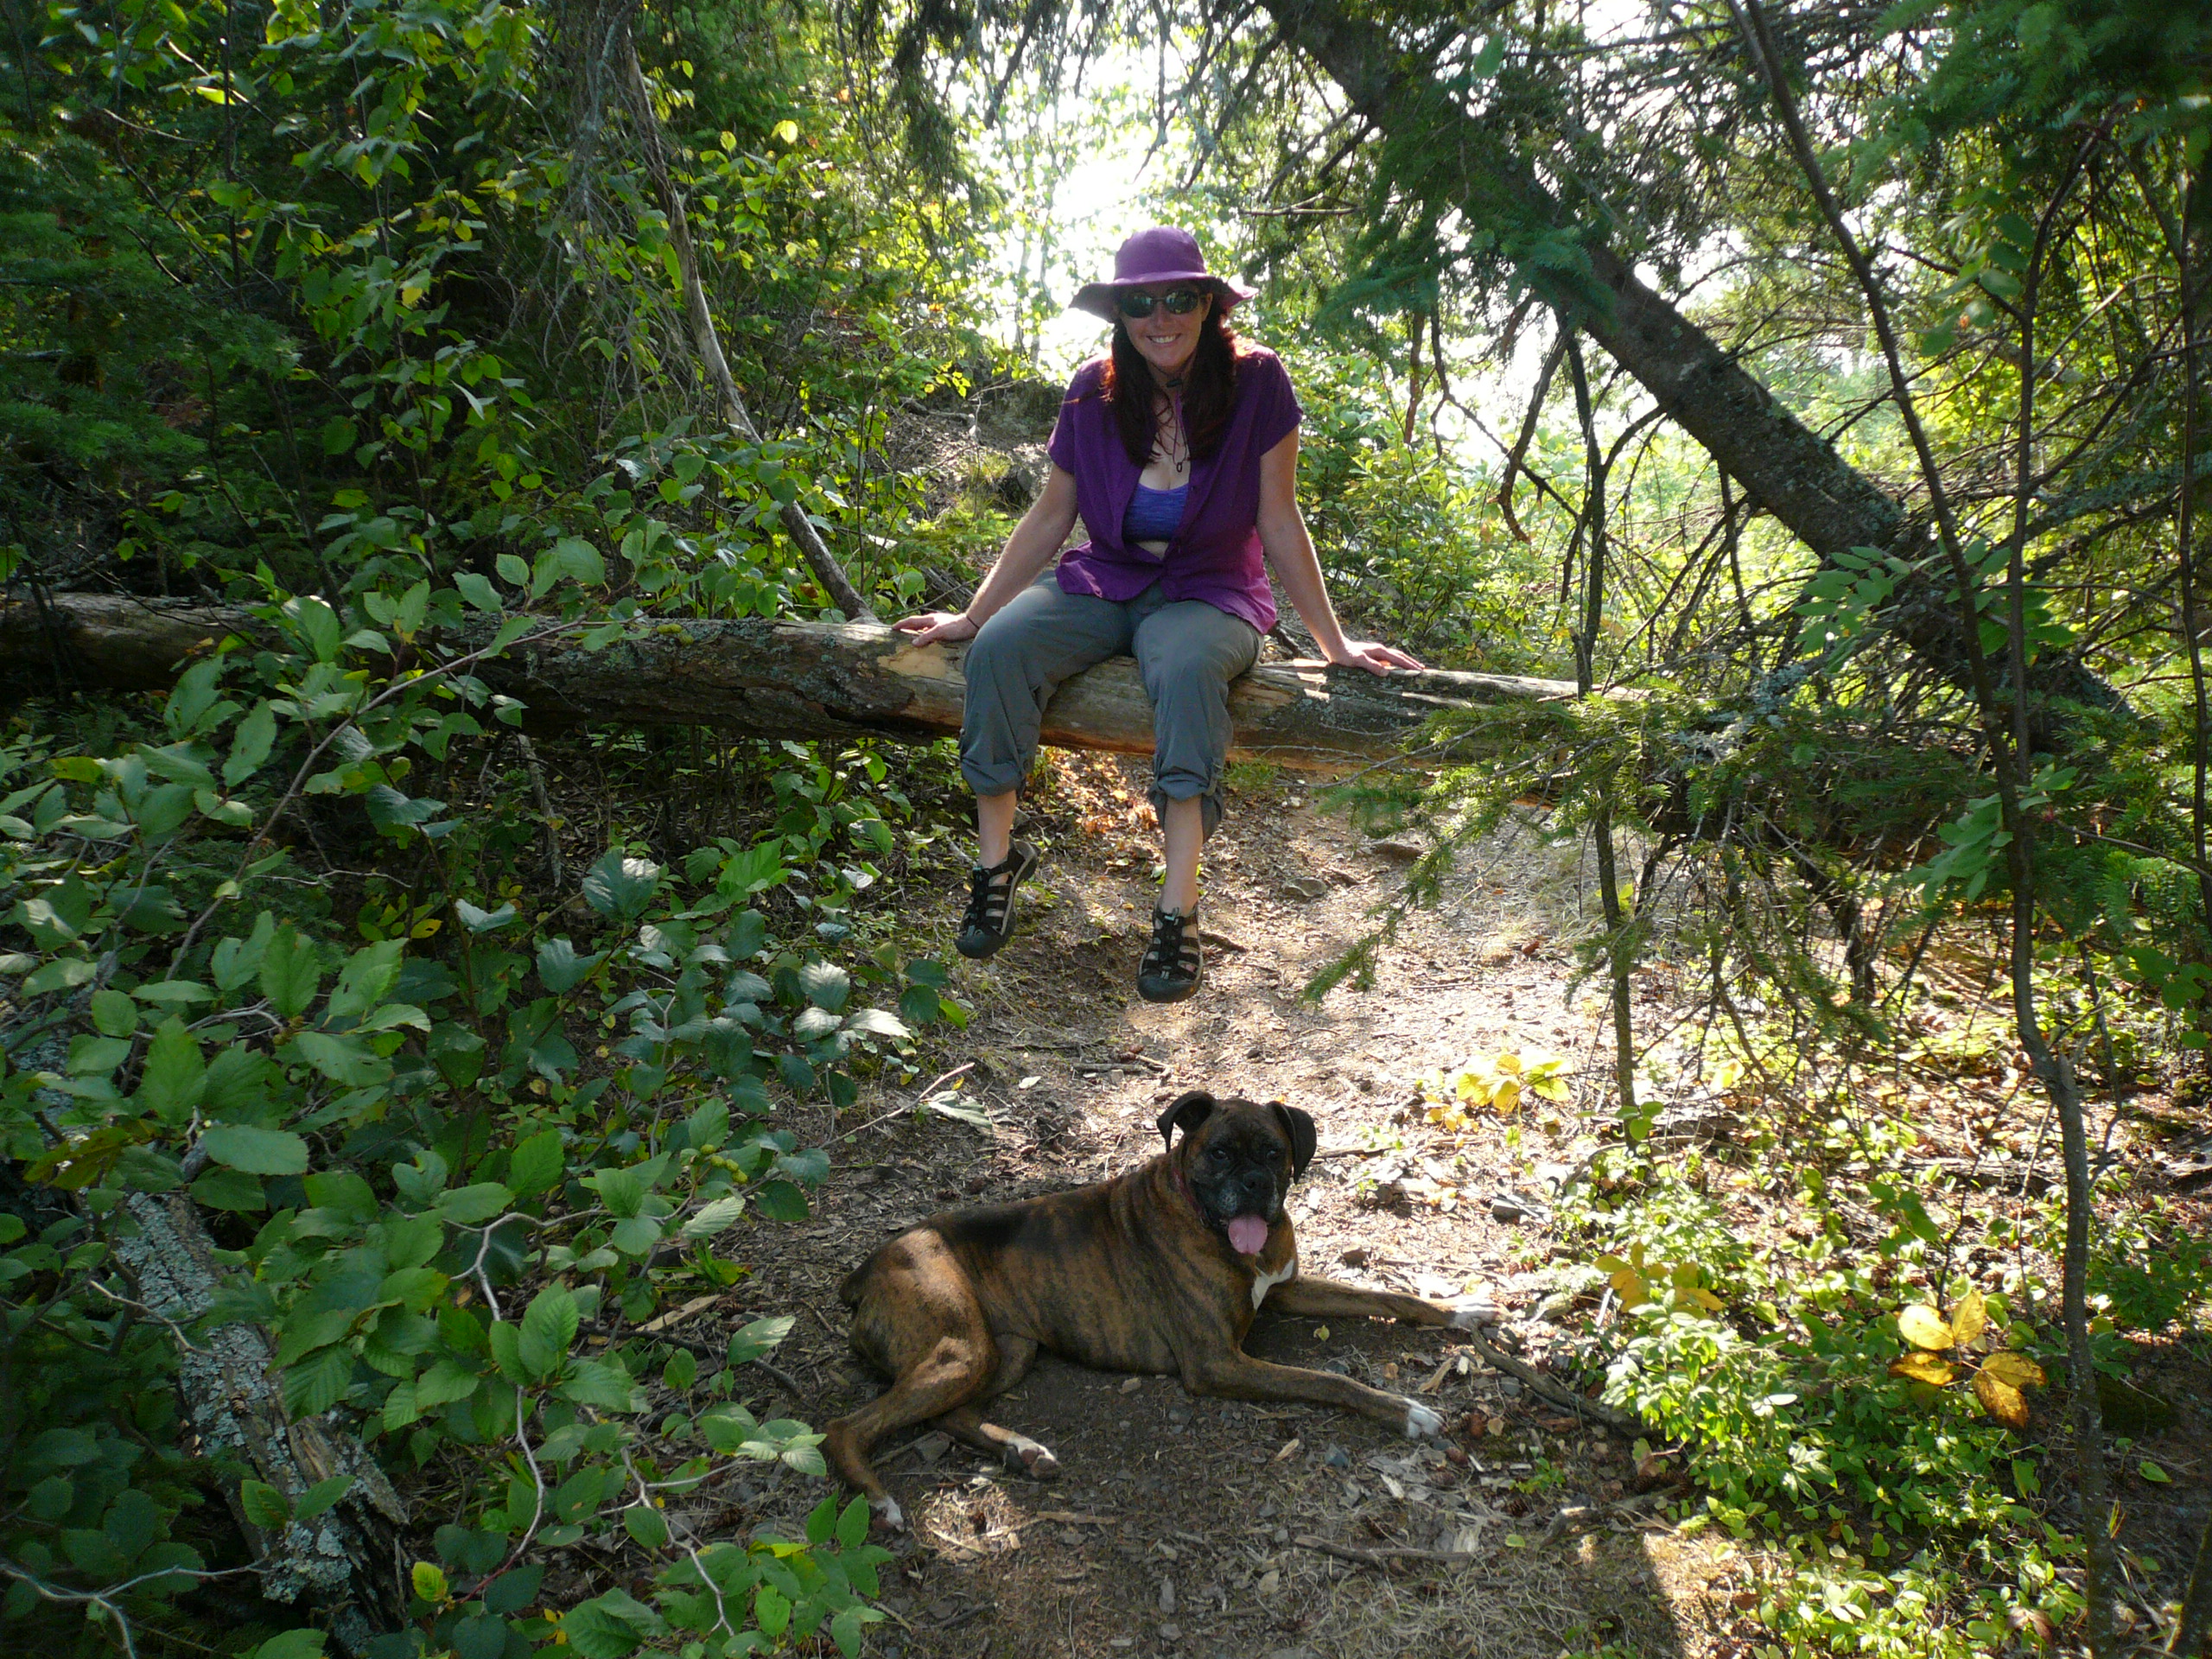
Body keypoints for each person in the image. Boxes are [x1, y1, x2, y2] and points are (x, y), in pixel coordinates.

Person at [893, 226, 1421, 1003]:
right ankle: (996, 867)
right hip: (1108, 577)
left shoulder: (1258, 383)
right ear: (1122, 313)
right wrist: (973, 615)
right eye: (1141, 302)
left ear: (1207, 305)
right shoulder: (1091, 390)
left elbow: (1279, 520)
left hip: (1211, 591)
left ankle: (1178, 913)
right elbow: (1052, 514)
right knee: (1002, 649)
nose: (1160, 317)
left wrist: (1333, 642)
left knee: (1181, 668)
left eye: (1179, 298)